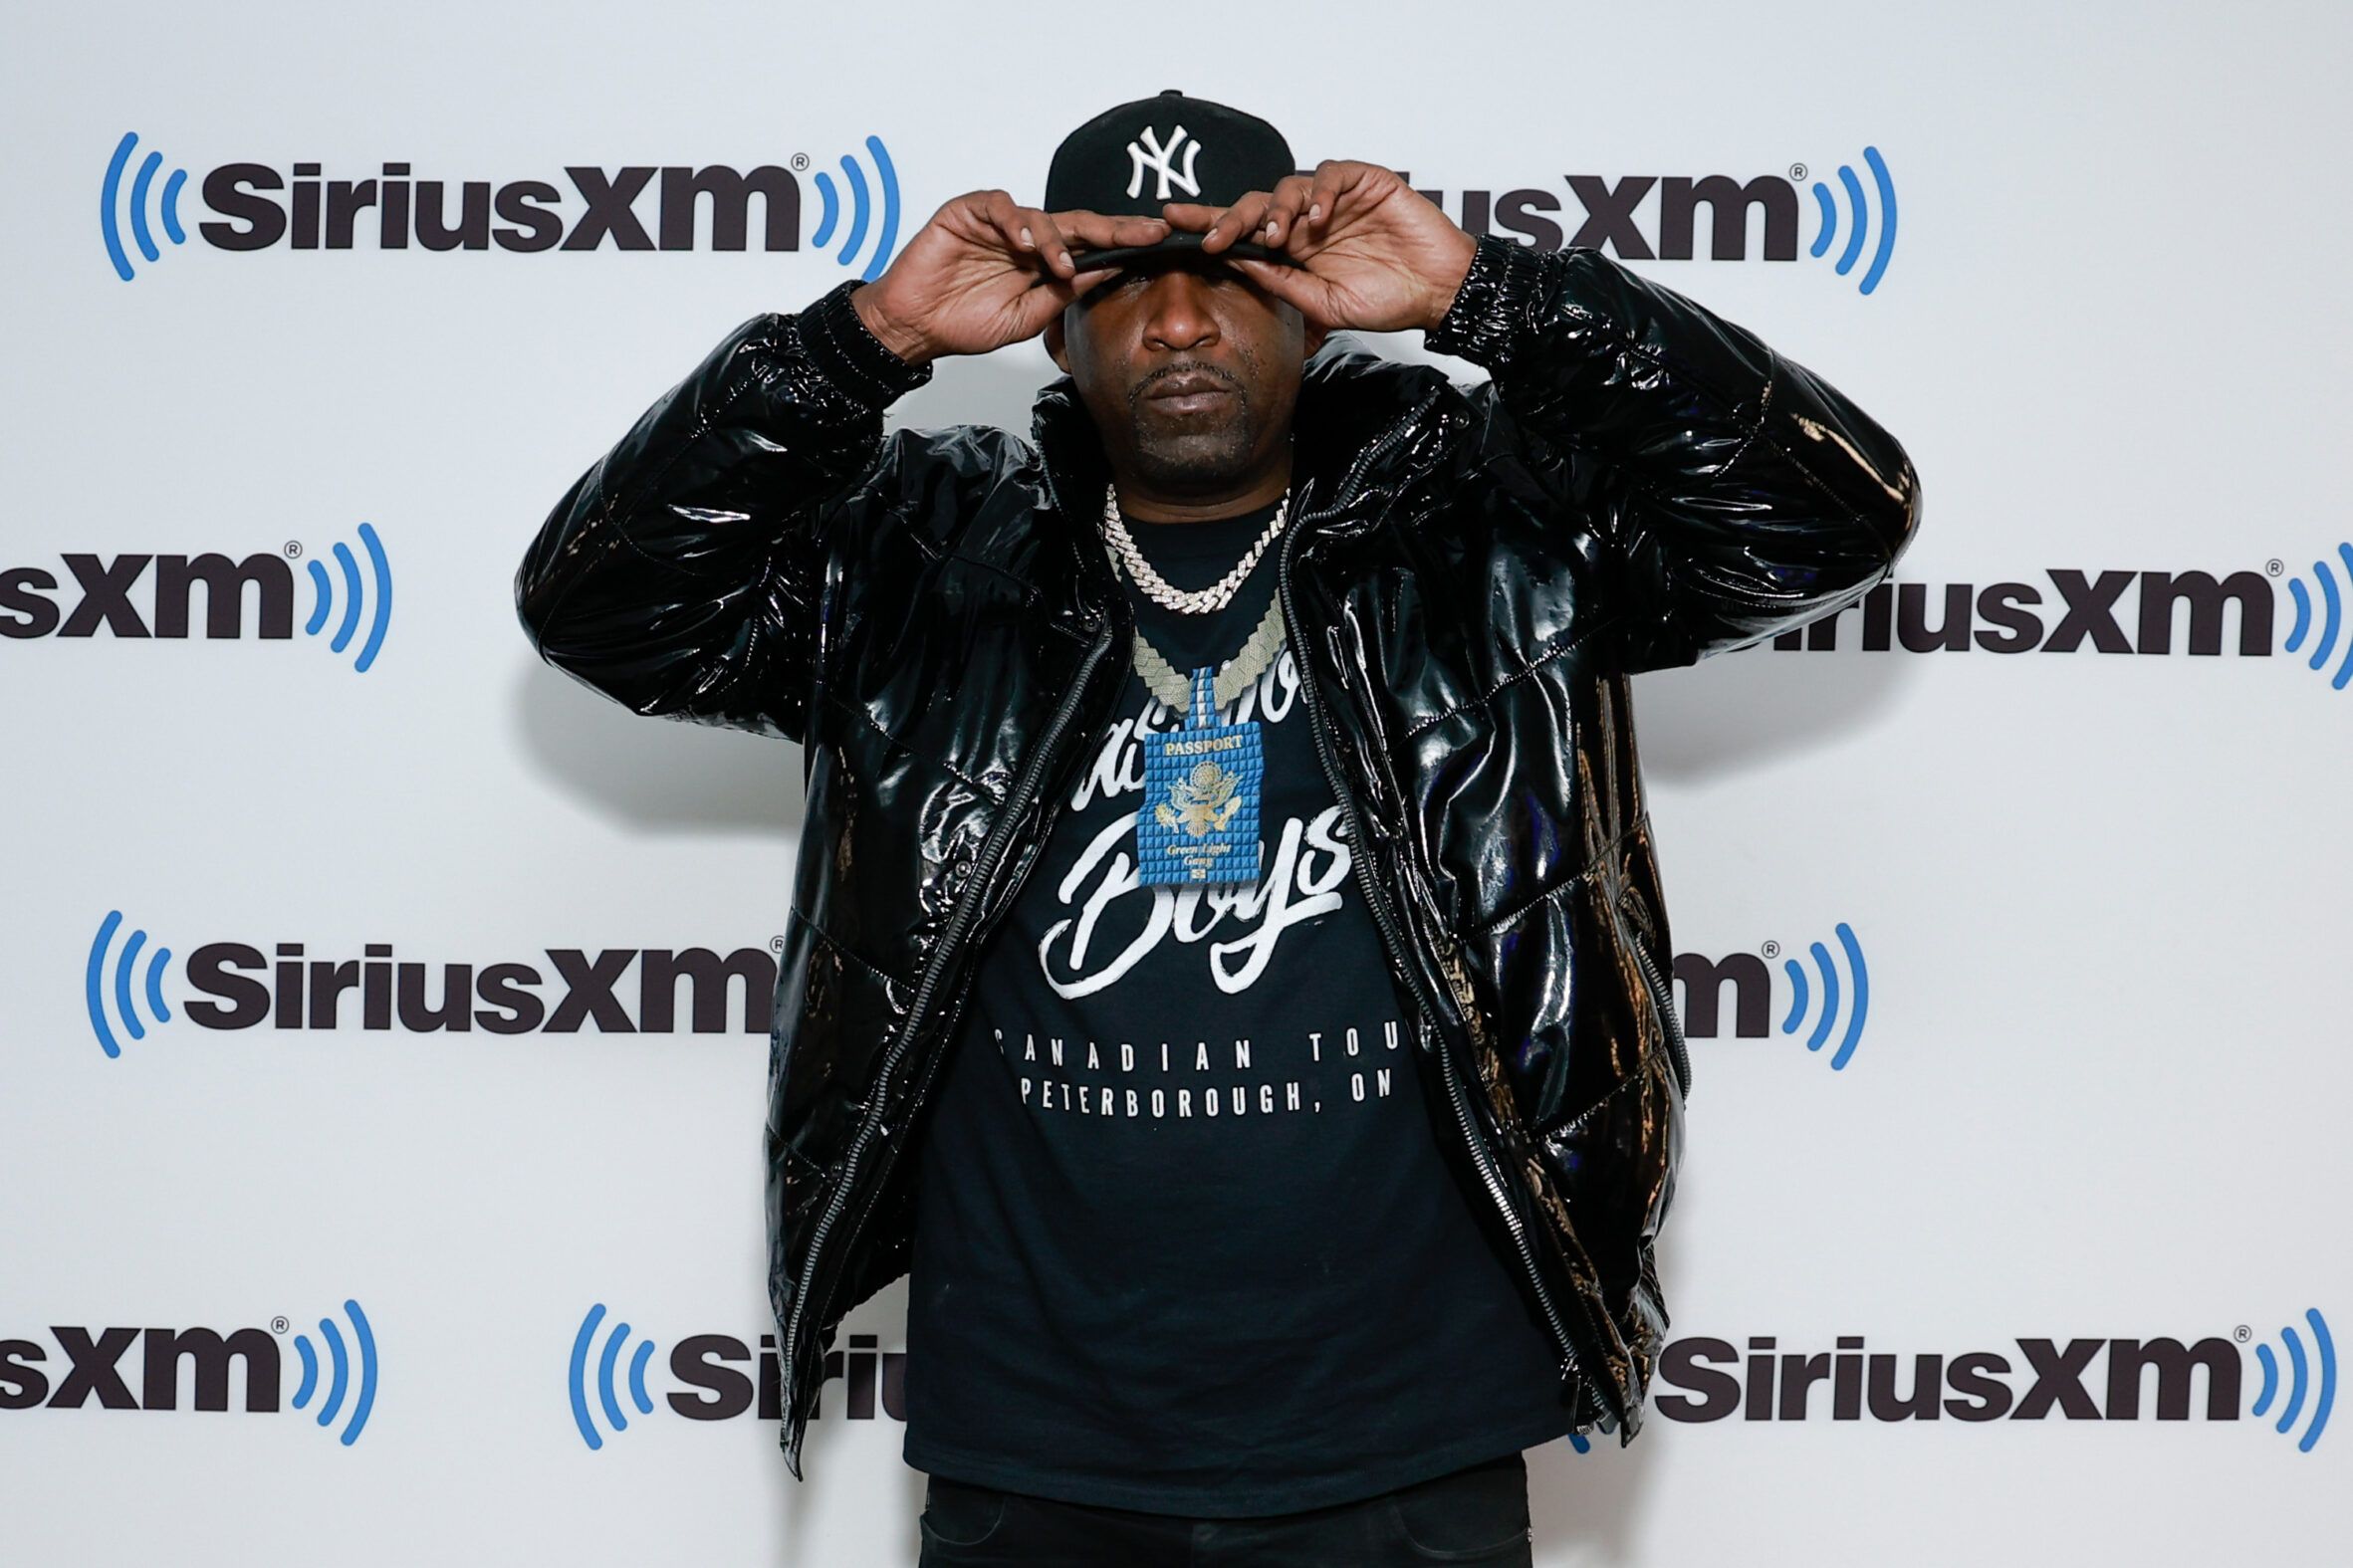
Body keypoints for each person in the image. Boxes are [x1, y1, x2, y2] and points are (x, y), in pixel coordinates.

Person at [514, 90, 1920, 1567]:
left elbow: (1826, 519)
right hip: (1030, 1442)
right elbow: (603, 609)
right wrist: (860, 343)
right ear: (1055, 330)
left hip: (1408, 1435)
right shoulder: (922, 557)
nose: (1180, 324)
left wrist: (1491, 295)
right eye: (1123, 284)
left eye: (1232, 277)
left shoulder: (1496, 529)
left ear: (1312, 309)